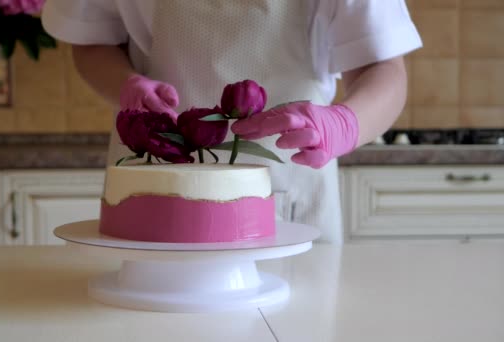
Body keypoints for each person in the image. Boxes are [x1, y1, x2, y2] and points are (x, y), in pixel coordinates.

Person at [41, 0, 422, 243]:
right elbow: (92, 41)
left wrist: (345, 123)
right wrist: (125, 85)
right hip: (154, 177)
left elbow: (383, 66)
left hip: (288, 186)